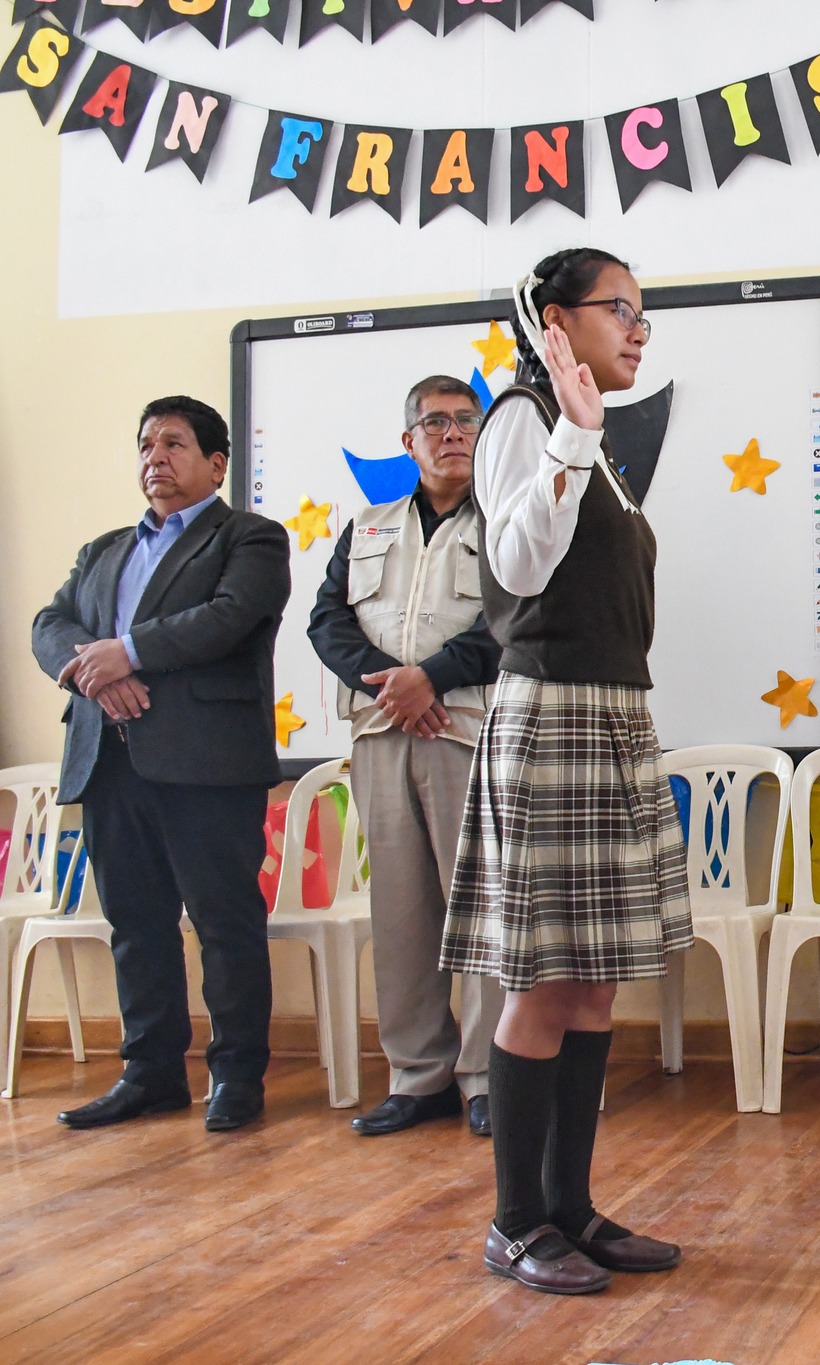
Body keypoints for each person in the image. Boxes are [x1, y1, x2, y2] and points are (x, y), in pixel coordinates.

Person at [439, 248, 689, 1295]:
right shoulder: (520, 421)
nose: (637, 329)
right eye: (617, 309)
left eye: (642, 314)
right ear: (555, 320)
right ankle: (513, 1222)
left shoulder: (594, 439)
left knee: (592, 991)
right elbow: (517, 566)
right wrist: (573, 434)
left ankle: (569, 1209)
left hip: (613, 714)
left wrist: (588, 438)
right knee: (542, 984)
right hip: (548, 716)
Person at [31, 396, 290, 1133]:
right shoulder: (103, 549)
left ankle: (236, 1074)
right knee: (135, 923)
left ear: (215, 463)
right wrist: (96, 671)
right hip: (109, 761)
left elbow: (230, 615)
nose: (155, 456)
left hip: (207, 764)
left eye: (174, 443)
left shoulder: (251, 538)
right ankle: (149, 1073)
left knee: (224, 921)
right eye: (146, 443)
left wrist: (130, 651)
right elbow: (49, 623)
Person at [308, 375, 505, 1138]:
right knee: (400, 911)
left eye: (465, 421)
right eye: (435, 423)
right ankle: (417, 1075)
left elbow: (512, 623)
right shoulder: (367, 525)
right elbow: (327, 619)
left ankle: (488, 1076)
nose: (451, 433)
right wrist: (392, 687)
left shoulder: (504, 526)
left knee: (479, 908)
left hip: (466, 732)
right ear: (408, 440)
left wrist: (434, 678)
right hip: (383, 734)